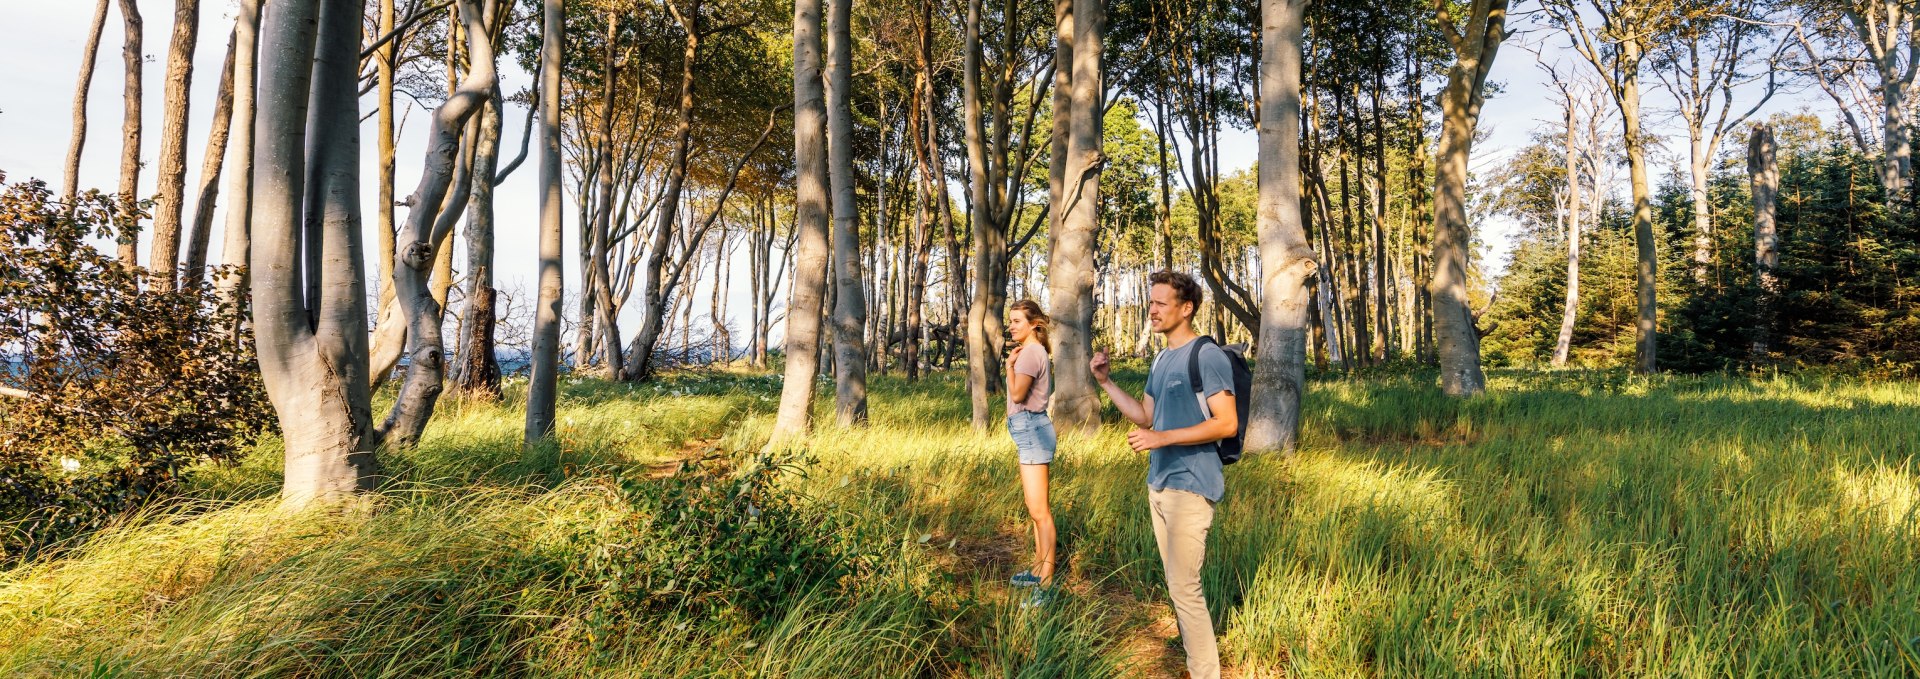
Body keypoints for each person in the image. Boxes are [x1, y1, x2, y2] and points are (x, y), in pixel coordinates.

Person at [1089, 271, 1235, 679]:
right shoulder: (1161, 357)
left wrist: (1162, 438)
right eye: (1150, 302)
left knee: (1185, 589)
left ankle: (1205, 673)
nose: (1151, 309)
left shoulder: (1206, 356)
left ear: (1186, 308)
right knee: (1177, 585)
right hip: (1160, 484)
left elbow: (1227, 423)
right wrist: (1105, 382)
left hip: (1192, 485)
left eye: (1160, 303)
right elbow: (1146, 415)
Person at [1004, 300, 1058, 606]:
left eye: (1016, 321)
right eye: (1010, 321)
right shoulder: (1034, 351)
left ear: (1033, 323)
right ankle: (1038, 570)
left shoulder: (1029, 354)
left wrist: (1010, 367)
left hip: (1033, 431)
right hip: (1030, 430)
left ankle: (1046, 585)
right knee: (1035, 511)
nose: (1011, 326)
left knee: (1041, 513)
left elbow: (1016, 394)